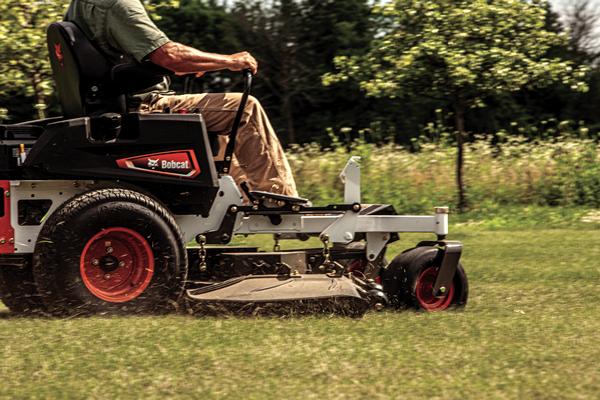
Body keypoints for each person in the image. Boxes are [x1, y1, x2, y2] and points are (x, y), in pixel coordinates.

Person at [65, 0, 298, 197]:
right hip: (144, 106)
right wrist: (230, 61)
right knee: (245, 108)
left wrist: (191, 63)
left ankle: (239, 199)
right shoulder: (118, 5)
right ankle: (278, 200)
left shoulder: (78, 6)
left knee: (221, 125)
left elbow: (133, 60)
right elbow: (170, 55)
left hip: (119, 104)